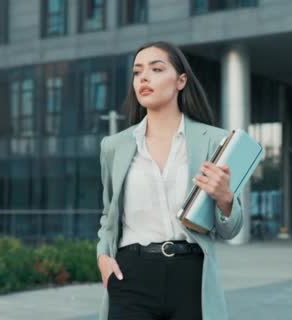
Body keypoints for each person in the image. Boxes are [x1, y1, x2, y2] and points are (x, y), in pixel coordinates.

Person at [96, 41, 244, 320]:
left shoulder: (214, 141)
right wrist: (103, 258)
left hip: (191, 276)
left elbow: (230, 229)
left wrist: (226, 199)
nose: (144, 78)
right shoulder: (114, 146)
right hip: (131, 274)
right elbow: (109, 215)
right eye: (137, 72)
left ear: (181, 80)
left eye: (156, 69)